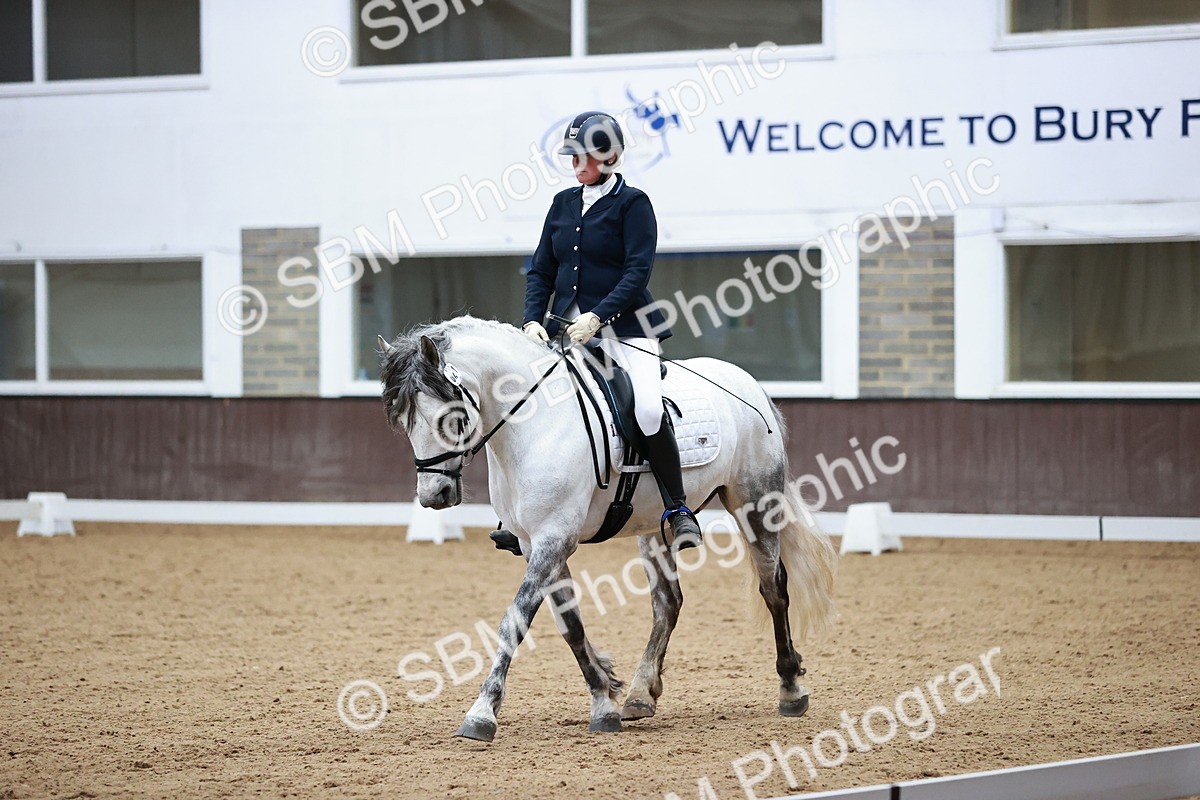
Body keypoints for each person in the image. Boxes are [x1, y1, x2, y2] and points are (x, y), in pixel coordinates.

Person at [522, 110, 701, 548]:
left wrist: (599, 316)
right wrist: (530, 318)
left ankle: (677, 507)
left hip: (631, 329)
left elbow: (637, 271)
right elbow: (542, 269)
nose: (577, 165)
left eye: (585, 156)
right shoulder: (562, 203)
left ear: (612, 155)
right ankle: (524, 514)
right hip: (566, 329)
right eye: (572, 157)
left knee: (646, 410)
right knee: (537, 404)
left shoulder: (633, 203)